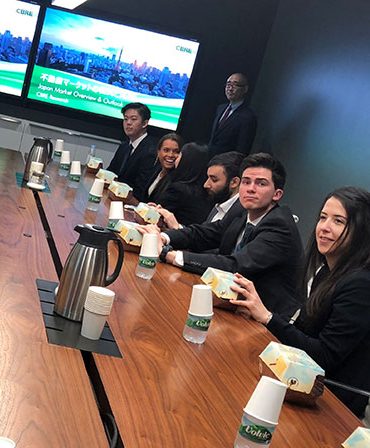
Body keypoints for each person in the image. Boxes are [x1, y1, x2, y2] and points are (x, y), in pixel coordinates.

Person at [230, 187, 370, 418]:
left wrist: (268, 317)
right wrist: (258, 314)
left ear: (361, 231)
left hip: (331, 405)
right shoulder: (328, 271)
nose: (324, 227)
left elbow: (323, 357)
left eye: (338, 221)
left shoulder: (361, 285)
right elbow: (304, 328)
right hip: (301, 386)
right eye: (323, 217)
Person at [143, 153, 303, 318]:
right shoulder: (242, 212)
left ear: (277, 194)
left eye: (261, 184)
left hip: (266, 320)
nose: (251, 188)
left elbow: (236, 266)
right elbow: (206, 233)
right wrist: (164, 237)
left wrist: (168, 254)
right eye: (246, 182)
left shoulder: (279, 225)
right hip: (231, 303)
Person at [158, 151, 244, 229]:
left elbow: (209, 241)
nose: (206, 185)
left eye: (214, 180)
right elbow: (202, 237)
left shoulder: (239, 215)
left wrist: (176, 228)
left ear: (234, 182)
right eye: (208, 178)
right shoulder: (217, 206)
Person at [144, 141, 212, 226]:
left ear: (185, 160)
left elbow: (154, 219)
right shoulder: (204, 189)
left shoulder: (177, 189)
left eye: (179, 154)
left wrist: (151, 210)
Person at [107, 102, 158, 201]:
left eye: (133, 119)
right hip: (114, 196)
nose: (128, 123)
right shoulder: (125, 145)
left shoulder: (150, 151)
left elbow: (140, 190)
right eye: (125, 119)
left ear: (145, 123)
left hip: (130, 202)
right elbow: (111, 172)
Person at [208, 73, 257, 157]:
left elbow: (242, 149)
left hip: (225, 164)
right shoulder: (221, 108)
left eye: (235, 85)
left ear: (245, 89)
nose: (230, 88)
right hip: (209, 158)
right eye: (228, 84)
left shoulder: (248, 117)